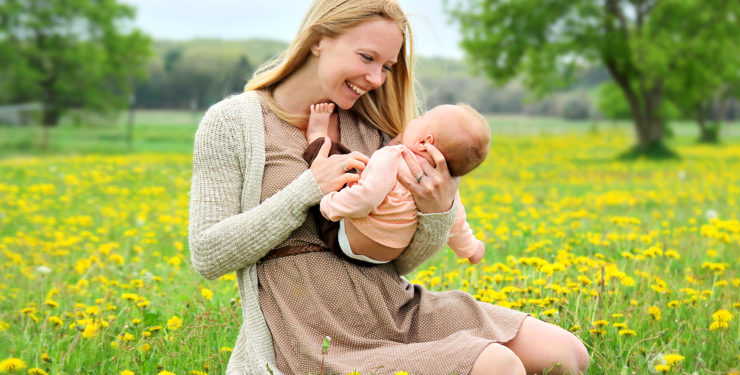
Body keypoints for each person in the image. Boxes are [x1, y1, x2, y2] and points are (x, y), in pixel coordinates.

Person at [188, 0, 590, 374]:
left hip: (392, 304)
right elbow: (207, 254)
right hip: (315, 334)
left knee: (569, 355)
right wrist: (309, 188)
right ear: (318, 41)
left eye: (387, 66)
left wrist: (436, 210)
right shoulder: (233, 122)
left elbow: (395, 259)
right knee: (497, 366)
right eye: (367, 57)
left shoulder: (374, 128)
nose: (376, 78)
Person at [302, 102, 488, 265]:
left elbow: (367, 197)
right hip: (385, 257)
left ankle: (317, 133)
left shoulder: (392, 156)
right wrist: (472, 250)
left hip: (348, 241)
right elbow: (456, 223)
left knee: (343, 163)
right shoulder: (444, 185)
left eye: (421, 117)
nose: (413, 120)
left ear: (424, 142)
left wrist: (328, 204)